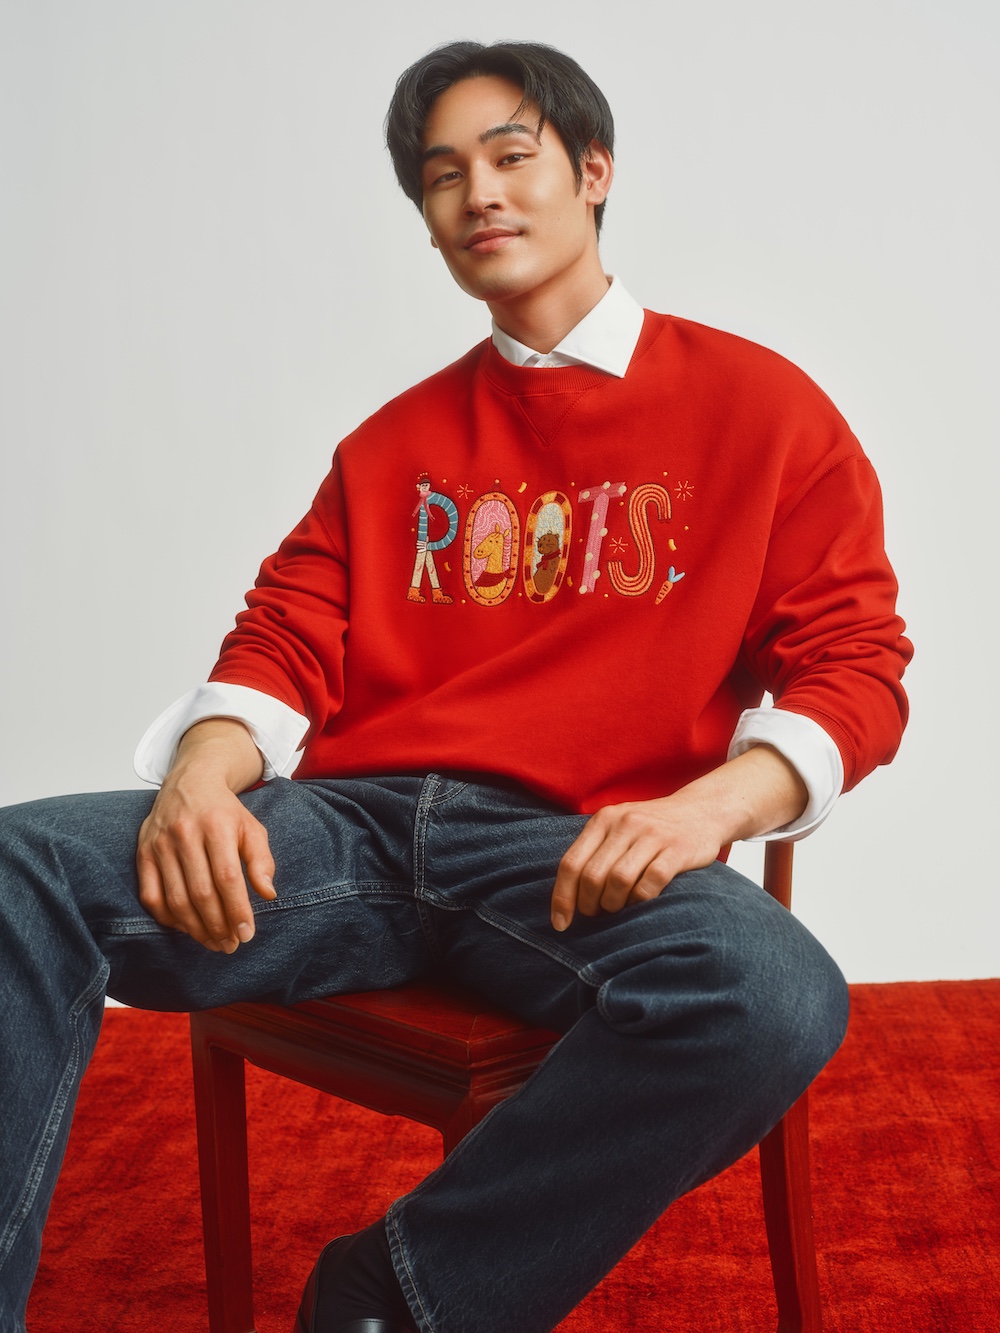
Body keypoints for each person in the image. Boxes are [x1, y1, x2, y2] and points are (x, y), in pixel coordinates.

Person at [0, 39, 911, 1333]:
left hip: (574, 855)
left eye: (511, 156)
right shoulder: (392, 443)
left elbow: (856, 666)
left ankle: (400, 1291)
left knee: (771, 991)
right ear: (425, 221)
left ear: (593, 172)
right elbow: (284, 634)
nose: (477, 193)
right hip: (352, 834)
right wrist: (203, 770)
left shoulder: (764, 410)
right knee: (21, 869)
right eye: (442, 176)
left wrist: (708, 808)